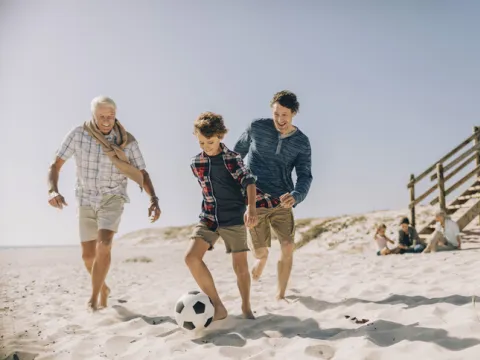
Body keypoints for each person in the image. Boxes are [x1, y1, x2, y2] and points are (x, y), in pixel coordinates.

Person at [47, 96, 161, 311]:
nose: (107, 121)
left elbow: (142, 172)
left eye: (111, 116)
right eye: (102, 117)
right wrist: (53, 190)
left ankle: (94, 298)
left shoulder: (127, 141)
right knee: (88, 256)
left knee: (104, 245)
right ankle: (103, 288)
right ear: (93, 115)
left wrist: (153, 199)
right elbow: (56, 164)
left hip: (113, 197)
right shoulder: (78, 135)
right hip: (86, 198)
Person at [186, 112, 280, 321]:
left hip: (234, 218)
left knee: (240, 267)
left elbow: (249, 182)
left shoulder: (232, 158)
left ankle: (246, 307)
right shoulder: (196, 163)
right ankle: (218, 306)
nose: (206, 146)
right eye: (201, 142)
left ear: (220, 136)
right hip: (209, 217)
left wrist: (252, 209)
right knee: (191, 258)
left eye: (210, 142)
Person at [234, 90, 313, 300]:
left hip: (282, 200)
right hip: (255, 197)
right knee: (260, 252)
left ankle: (280, 294)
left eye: (284, 115)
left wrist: (297, 195)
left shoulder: (301, 142)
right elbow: (237, 155)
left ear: (294, 113)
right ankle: (261, 258)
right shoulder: (257, 127)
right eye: (276, 114)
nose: (280, 119)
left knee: (288, 246)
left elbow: (305, 175)